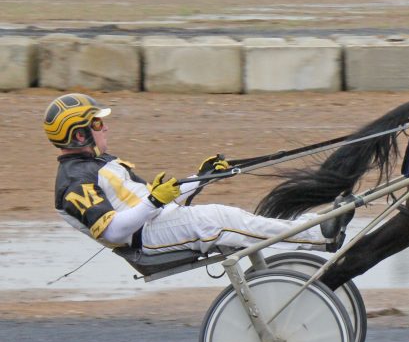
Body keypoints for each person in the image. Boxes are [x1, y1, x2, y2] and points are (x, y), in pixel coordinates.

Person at [45, 93, 348, 257]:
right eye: (97, 124)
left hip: (157, 224)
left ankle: (314, 230)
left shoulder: (101, 164)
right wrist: (153, 199)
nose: (106, 127)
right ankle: (317, 236)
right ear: (79, 134)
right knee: (217, 218)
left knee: (226, 218)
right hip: (145, 239)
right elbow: (113, 232)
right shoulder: (74, 182)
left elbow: (157, 202)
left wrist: (203, 177)